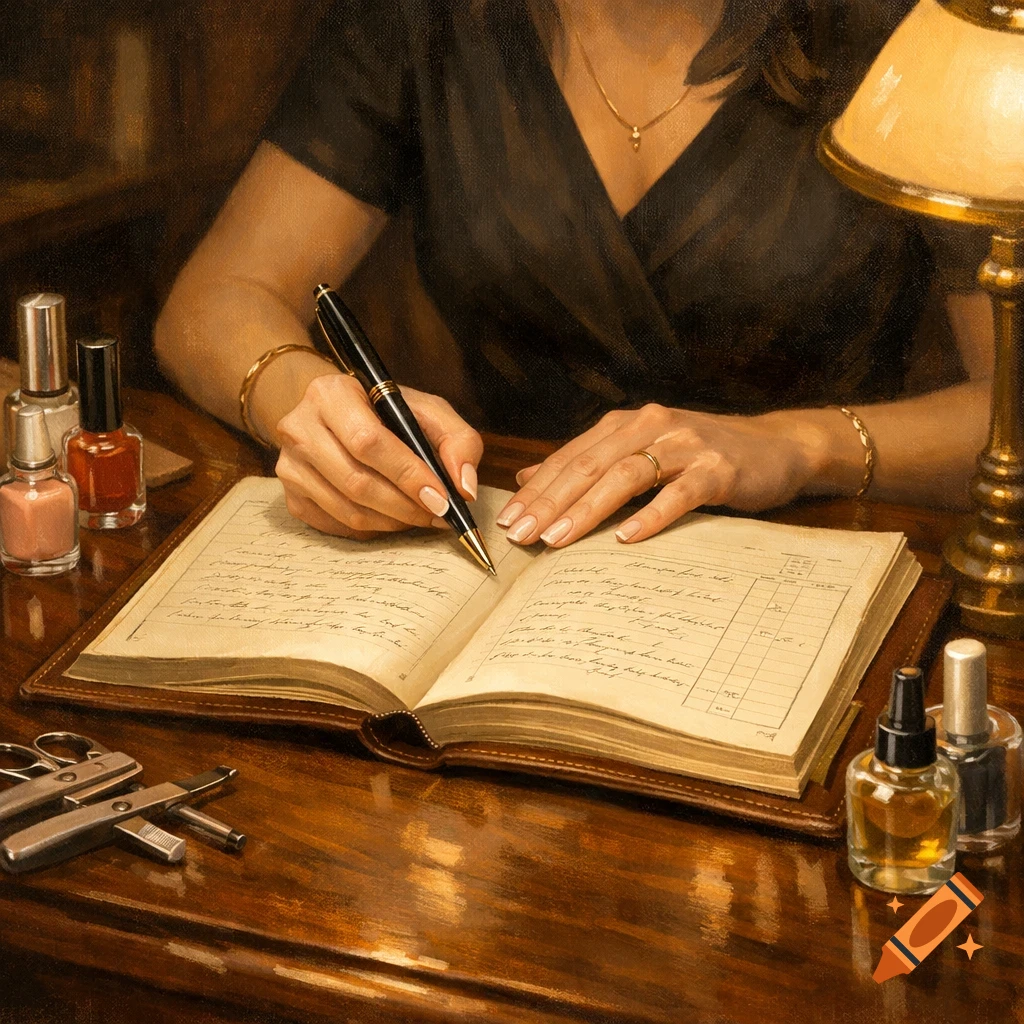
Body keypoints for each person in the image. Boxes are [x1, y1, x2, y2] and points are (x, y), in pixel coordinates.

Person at [155, 0, 993, 550]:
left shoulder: (907, 25)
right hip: (510, 551)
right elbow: (211, 302)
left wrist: (799, 444)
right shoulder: (425, 20)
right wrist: (314, 409)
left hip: (820, 568)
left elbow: (1012, 405)